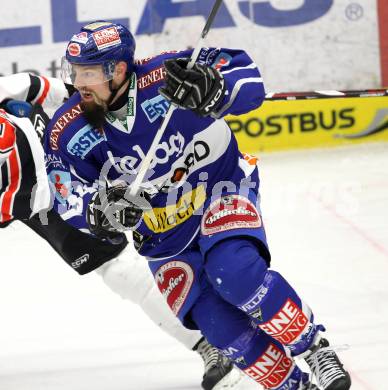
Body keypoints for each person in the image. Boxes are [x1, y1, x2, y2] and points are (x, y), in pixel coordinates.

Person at [44, 20, 351, 390]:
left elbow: (248, 79)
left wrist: (217, 90)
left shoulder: (171, 74)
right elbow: (65, 195)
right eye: (74, 71)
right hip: (161, 235)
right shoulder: (68, 129)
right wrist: (97, 210)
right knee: (217, 325)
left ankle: (315, 349)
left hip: (219, 189)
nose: (78, 82)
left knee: (234, 272)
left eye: (88, 73)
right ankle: (293, 386)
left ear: (119, 69)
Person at [0, 76, 240, 390]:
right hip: (28, 200)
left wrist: (79, 103)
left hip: (58, 173)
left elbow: (35, 86)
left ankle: (211, 341)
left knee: (121, 268)